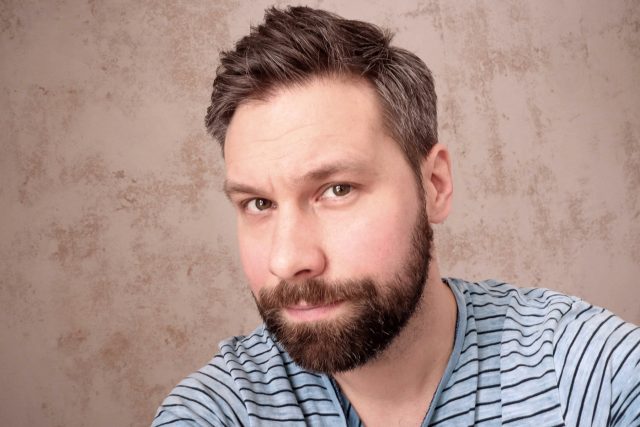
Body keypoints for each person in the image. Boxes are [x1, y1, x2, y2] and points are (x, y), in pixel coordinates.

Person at [152, 6, 640, 426]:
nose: (288, 260)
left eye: (337, 190)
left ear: (434, 186)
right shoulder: (221, 410)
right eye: (259, 204)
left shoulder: (591, 378)